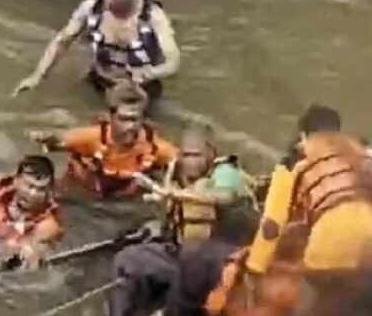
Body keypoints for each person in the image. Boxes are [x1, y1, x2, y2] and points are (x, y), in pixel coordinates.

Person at [207, 105, 372, 316]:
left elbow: (272, 225)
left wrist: (254, 269)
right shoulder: (362, 155)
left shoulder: (295, 161)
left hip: (328, 252)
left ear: (303, 135)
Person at [107, 124, 258, 316]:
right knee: (126, 260)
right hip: (177, 254)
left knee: (187, 287)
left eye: (197, 155)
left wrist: (176, 194)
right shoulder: (176, 173)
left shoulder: (225, 173)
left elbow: (224, 196)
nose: (190, 162)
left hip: (213, 266)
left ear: (211, 154)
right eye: (186, 155)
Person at [14, 0, 180, 103]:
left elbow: (173, 61)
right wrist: (37, 76)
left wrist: (150, 73)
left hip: (139, 90)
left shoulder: (152, 16)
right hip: (101, 82)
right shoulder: (91, 8)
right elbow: (62, 41)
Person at [30, 82, 178, 199]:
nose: (131, 126)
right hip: (78, 198)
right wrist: (47, 138)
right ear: (110, 117)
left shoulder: (155, 147)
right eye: (124, 119)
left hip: (123, 204)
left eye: (135, 119)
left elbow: (182, 163)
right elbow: (56, 141)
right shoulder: (89, 137)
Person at [0, 155, 65, 268]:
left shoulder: (47, 226)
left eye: (41, 189)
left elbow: (33, 255)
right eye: (29, 186)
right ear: (16, 180)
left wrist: (32, 252)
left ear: (49, 190)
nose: (33, 194)